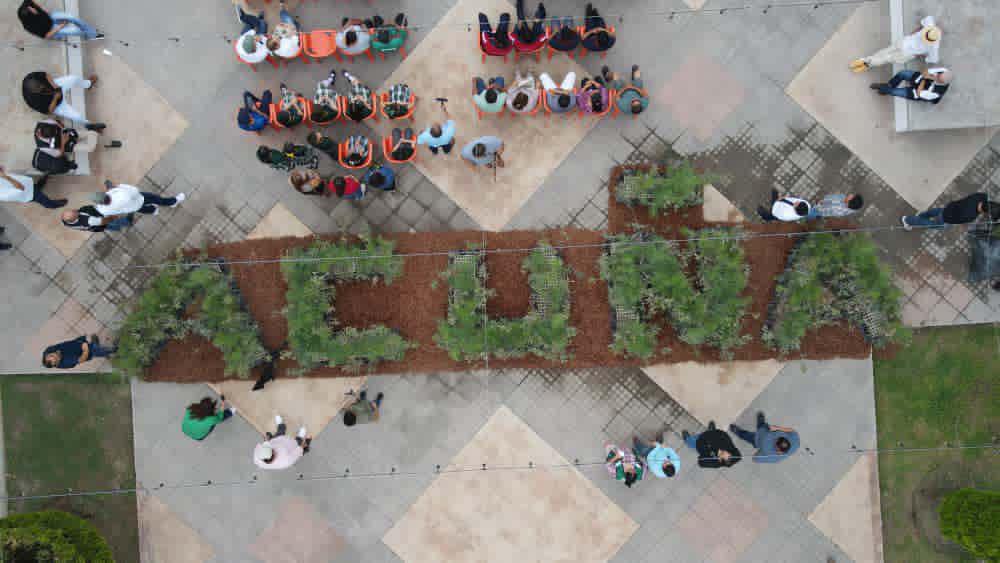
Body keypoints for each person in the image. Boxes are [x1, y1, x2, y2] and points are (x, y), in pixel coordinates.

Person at [850, 16, 940, 72]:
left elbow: (922, 24)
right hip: (907, 52)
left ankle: (866, 61)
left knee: (884, 52)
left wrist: (912, 34)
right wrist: (920, 54)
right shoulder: (934, 47)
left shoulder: (930, 24)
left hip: (904, 43)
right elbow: (932, 59)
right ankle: (865, 62)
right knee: (885, 58)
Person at [22, 72, 105, 130]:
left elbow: (46, 74)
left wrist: (54, 86)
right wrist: (55, 98)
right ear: (35, 92)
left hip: (56, 86)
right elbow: (49, 111)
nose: (42, 87)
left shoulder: (30, 78)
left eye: (41, 85)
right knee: (77, 116)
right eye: (40, 88)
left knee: (74, 79)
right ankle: (89, 125)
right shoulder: (32, 101)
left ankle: (88, 84)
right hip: (56, 105)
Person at [901, 192, 999, 230]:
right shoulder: (971, 216)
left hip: (950, 207)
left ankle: (921, 215)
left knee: (935, 212)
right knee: (930, 224)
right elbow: (957, 221)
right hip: (946, 218)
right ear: (984, 212)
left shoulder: (982, 196)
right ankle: (907, 220)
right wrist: (946, 225)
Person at [730, 412, 800, 463]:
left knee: (746, 435)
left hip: (756, 439)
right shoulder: (795, 443)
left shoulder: (772, 458)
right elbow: (792, 431)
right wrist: (777, 428)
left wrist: (761, 450)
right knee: (762, 425)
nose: (775, 439)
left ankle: (738, 432)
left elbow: (755, 458)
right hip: (766, 429)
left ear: (778, 450)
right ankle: (761, 422)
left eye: (776, 442)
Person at [95, 180, 185, 217]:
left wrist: (112, 189)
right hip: (139, 199)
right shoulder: (123, 195)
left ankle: (153, 211)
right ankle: (173, 202)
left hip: (131, 208)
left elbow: (100, 209)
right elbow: (135, 190)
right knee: (156, 199)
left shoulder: (103, 210)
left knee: (142, 209)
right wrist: (117, 187)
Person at [18, 0, 101, 40]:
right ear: (30, 18)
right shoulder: (29, 27)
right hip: (50, 30)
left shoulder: (25, 5)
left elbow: (31, 2)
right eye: (32, 12)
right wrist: (60, 26)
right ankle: (92, 35)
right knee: (75, 30)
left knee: (71, 17)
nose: (34, 9)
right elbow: (46, 36)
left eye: (32, 8)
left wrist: (44, 10)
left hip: (49, 17)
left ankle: (90, 31)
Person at [871, 67, 952, 104]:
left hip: (916, 93)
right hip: (920, 79)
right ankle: (889, 85)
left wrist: (925, 79)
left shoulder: (937, 93)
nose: (936, 76)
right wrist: (928, 77)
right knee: (903, 73)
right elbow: (925, 71)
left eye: (938, 78)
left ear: (942, 82)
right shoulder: (944, 70)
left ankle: (883, 88)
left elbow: (919, 93)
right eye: (938, 75)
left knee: (896, 92)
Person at [0, 166, 67, 209]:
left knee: (36, 186)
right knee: (44, 201)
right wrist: (6, 177)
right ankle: (54, 205)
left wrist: (2, 172)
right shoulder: (2, 194)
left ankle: (42, 181)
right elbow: (21, 188)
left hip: (27, 184)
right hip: (28, 194)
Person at [42, 334, 114, 369]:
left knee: (93, 341)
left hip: (78, 342)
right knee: (96, 350)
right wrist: (85, 349)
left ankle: (98, 346)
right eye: (56, 359)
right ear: (56, 363)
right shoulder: (66, 361)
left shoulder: (48, 351)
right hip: (86, 351)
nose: (56, 355)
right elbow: (81, 359)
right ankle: (112, 350)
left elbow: (63, 345)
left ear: (47, 356)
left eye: (52, 355)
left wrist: (80, 341)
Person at [61, 206, 130, 232]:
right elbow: (103, 221)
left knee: (109, 227)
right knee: (111, 223)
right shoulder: (88, 220)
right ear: (75, 218)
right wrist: (113, 217)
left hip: (95, 227)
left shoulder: (66, 222)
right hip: (100, 223)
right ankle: (127, 222)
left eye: (72, 210)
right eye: (74, 212)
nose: (75, 209)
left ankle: (117, 229)